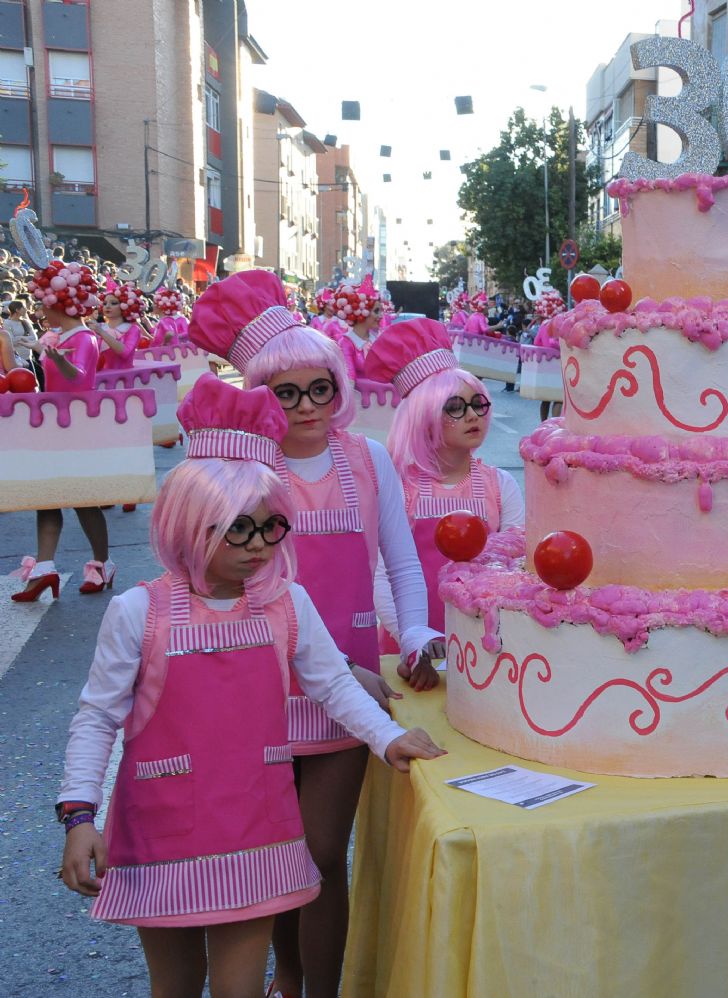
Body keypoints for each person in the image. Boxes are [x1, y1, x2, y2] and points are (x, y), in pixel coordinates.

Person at [55, 376, 443, 998]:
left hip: (258, 832)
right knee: (176, 986)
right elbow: (97, 717)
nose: (259, 546)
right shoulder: (136, 611)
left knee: (240, 988)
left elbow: (334, 685)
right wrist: (79, 815)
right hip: (163, 835)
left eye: (271, 528)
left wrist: (388, 738)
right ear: (189, 523)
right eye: (238, 529)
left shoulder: (288, 603)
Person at [188, 271, 444, 998]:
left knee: (323, 851)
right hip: (259, 683)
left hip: (349, 687)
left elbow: (400, 562)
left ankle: (319, 987)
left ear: (340, 388)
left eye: (319, 388)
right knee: (276, 849)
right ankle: (288, 977)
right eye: (285, 392)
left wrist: (418, 632)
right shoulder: (243, 469)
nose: (305, 406)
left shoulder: (367, 462)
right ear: (260, 393)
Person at [364, 318, 524, 638]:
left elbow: (518, 569)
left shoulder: (500, 485)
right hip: (411, 646)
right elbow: (381, 576)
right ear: (423, 417)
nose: (472, 415)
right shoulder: (397, 487)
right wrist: (415, 641)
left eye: (478, 404)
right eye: (455, 407)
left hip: (483, 644)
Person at [12, 260, 113, 602]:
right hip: (53, 423)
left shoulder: (83, 337)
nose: (40, 311)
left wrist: (57, 358)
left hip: (78, 428)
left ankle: (102, 562)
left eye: (42, 304)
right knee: (47, 496)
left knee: (84, 501)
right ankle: (44, 568)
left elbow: (80, 378)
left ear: (59, 304)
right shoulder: (56, 337)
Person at [330, 278, 383, 380]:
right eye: (376, 311)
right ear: (361, 311)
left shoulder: (377, 339)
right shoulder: (346, 343)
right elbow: (349, 381)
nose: (381, 316)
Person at [92, 281, 148, 372]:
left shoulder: (132, 329)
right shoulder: (100, 327)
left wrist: (102, 333)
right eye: (105, 303)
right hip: (101, 380)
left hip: (124, 379)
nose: (107, 306)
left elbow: (125, 353)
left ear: (125, 306)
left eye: (113, 303)